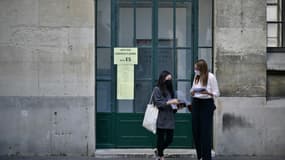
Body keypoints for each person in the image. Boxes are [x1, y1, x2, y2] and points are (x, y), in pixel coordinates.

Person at [190, 59, 220, 160]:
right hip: (196, 102)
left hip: (206, 104)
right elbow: (193, 88)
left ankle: (206, 157)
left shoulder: (211, 77)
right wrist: (192, 92)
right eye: (195, 69)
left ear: (202, 68)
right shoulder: (196, 77)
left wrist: (208, 93)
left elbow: (217, 93)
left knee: (205, 132)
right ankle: (200, 156)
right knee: (196, 130)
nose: (195, 70)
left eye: (197, 69)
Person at [152, 70, 181, 160]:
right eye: (167, 79)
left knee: (170, 139)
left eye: (170, 79)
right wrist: (170, 102)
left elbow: (173, 104)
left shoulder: (171, 90)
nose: (169, 81)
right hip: (161, 116)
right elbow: (158, 103)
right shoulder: (157, 89)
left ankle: (158, 150)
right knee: (160, 138)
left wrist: (178, 106)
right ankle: (161, 155)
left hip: (170, 117)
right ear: (163, 79)